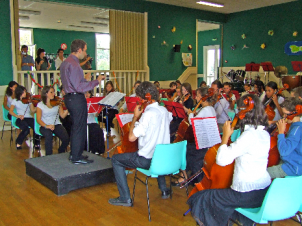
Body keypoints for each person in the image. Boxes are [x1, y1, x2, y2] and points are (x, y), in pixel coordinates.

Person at [187, 94, 271, 226]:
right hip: (263, 191)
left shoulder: (249, 135)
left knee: (201, 197)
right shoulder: (264, 133)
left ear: (245, 112)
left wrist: (225, 137)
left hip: (246, 194)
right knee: (218, 199)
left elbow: (221, 160)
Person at [108, 81, 172, 207]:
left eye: (139, 97)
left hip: (146, 160)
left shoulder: (148, 114)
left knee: (115, 159)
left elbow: (131, 137)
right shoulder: (164, 110)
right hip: (163, 159)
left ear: (145, 97)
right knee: (158, 149)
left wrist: (135, 118)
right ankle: (164, 189)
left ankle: (125, 198)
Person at [60, 39, 104, 164]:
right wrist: (96, 82)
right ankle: (76, 157)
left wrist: (87, 80)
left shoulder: (65, 63)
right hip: (76, 98)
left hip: (69, 97)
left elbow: (75, 83)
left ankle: (75, 154)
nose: (85, 54)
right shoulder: (74, 65)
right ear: (79, 50)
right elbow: (79, 87)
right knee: (79, 128)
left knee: (76, 127)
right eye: (84, 50)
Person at [172, 87, 217, 186]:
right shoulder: (210, 109)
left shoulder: (205, 110)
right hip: (206, 142)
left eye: (197, 95)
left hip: (204, 145)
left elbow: (193, 123)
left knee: (183, 148)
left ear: (202, 97)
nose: (196, 98)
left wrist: (190, 114)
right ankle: (187, 174)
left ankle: (183, 176)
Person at [267, 97, 302, 178]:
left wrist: (281, 132)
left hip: (293, 167)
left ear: (294, 113)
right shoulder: (297, 126)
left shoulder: (296, 130)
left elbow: (284, 151)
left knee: (263, 175)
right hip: (293, 162)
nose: (284, 116)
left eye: (286, 114)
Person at [36, 86, 69, 156]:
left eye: (54, 92)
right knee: (48, 135)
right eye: (51, 92)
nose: (54, 94)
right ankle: (49, 156)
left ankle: (61, 151)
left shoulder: (57, 103)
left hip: (56, 124)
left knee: (66, 138)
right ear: (46, 93)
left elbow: (62, 115)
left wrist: (68, 109)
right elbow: (38, 119)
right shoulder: (40, 105)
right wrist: (46, 126)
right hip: (44, 125)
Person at [85, 91, 105, 155]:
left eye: (88, 93)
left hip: (92, 121)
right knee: (89, 131)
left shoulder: (92, 102)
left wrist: (99, 110)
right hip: (83, 123)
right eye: (85, 93)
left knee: (98, 131)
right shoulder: (80, 102)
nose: (87, 94)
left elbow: (95, 115)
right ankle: (89, 149)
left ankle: (97, 150)